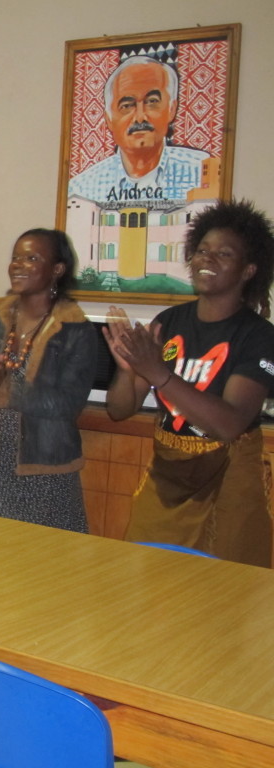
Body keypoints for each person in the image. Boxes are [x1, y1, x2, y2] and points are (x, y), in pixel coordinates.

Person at [103, 199, 274, 566]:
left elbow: (229, 424)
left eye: (223, 254)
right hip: (167, 476)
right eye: (201, 250)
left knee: (220, 596)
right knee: (144, 579)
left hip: (228, 481)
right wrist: (127, 370)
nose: (206, 260)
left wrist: (159, 374)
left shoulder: (259, 336)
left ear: (248, 271)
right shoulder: (170, 321)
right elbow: (120, 410)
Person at [0, 228, 97, 532]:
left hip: (44, 474)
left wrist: (6, 389)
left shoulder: (75, 329)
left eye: (31, 258)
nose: (17, 264)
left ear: (57, 269)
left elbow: (67, 404)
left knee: (42, 567)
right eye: (15, 257)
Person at [68, 55, 208, 204]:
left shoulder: (204, 172)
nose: (140, 117)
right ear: (108, 119)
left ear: (172, 109)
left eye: (152, 102)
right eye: (127, 106)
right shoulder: (80, 189)